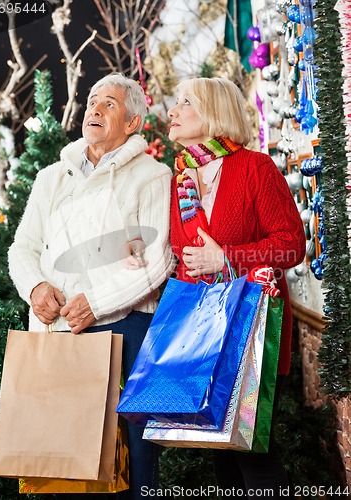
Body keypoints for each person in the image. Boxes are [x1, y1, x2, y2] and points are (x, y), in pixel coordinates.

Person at [8, 73, 174, 499]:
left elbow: (156, 261)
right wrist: (36, 287)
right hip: (57, 332)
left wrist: (96, 302)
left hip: (124, 331)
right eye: (92, 102)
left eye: (110, 104)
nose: (95, 110)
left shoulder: (152, 176)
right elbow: (22, 249)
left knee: (131, 464)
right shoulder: (52, 177)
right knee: (58, 463)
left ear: (133, 123)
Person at [167, 77, 306, 499]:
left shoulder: (255, 168)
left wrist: (228, 258)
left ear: (212, 112)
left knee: (252, 450)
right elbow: (182, 253)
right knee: (220, 451)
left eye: (184, 102)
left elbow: (291, 244)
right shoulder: (182, 181)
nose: (172, 111)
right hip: (204, 334)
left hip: (252, 329)